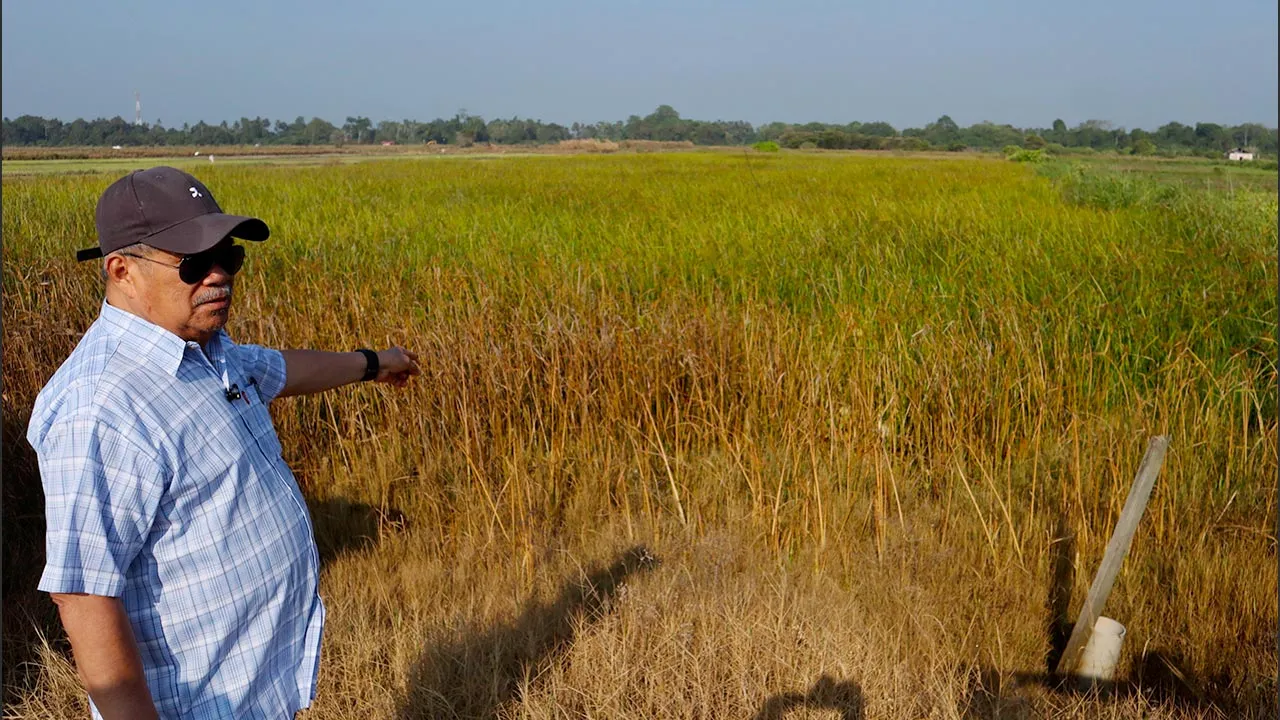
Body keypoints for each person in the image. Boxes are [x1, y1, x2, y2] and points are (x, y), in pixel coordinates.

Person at [26, 166, 421, 719]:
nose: (219, 275)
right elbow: (85, 594)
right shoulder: (100, 408)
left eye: (228, 255)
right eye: (193, 262)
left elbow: (278, 369)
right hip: (198, 703)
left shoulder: (204, 349)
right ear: (122, 270)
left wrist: (374, 364)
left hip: (257, 683)